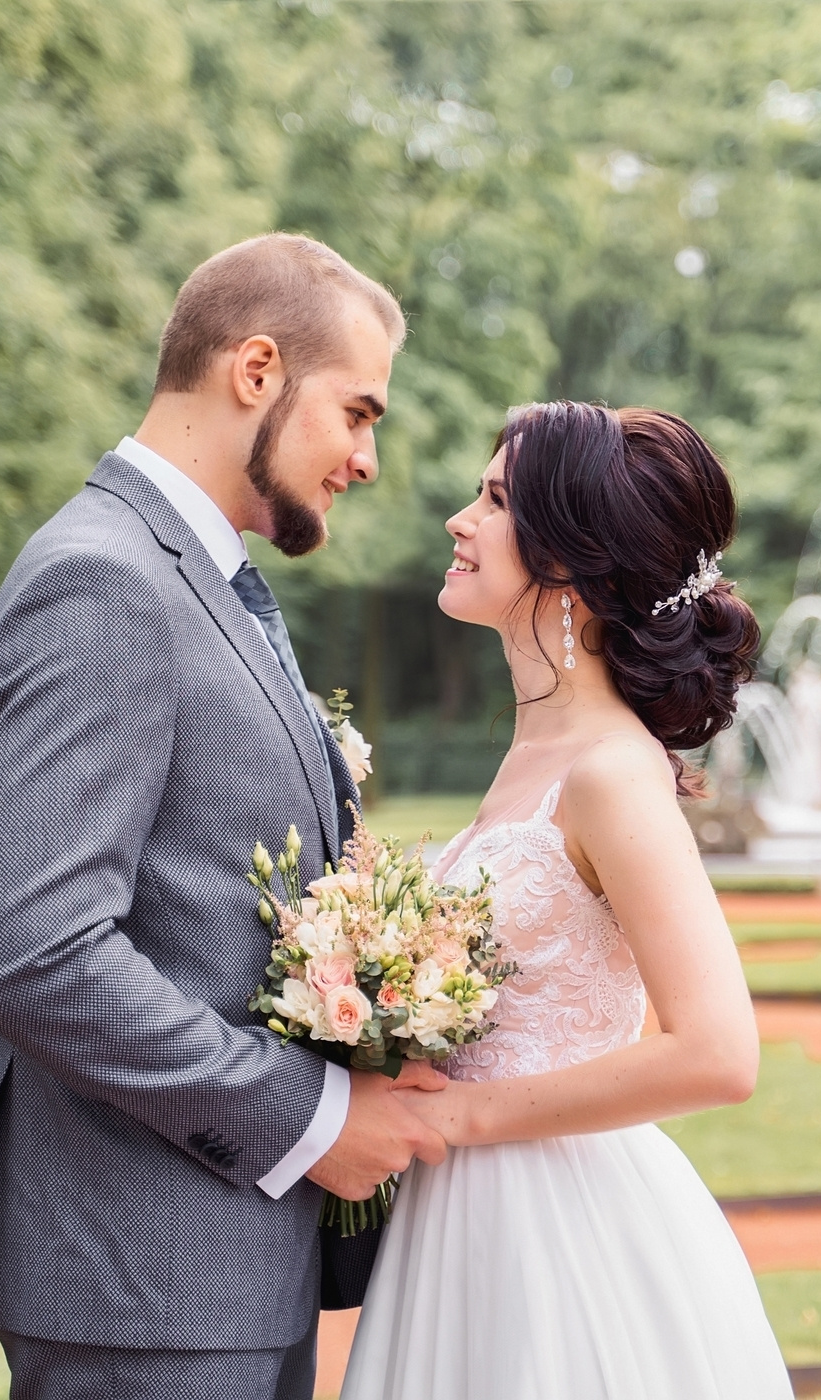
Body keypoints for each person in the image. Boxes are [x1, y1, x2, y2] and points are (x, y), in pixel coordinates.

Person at [0, 234, 453, 1400]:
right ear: (256, 369)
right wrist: (306, 1119)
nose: (364, 457)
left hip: (217, 1268)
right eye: (357, 413)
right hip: (140, 1284)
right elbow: (36, 949)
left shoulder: (204, 580)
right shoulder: (103, 581)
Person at [338, 402, 792, 1399]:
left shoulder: (612, 773)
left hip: (560, 1229)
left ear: (572, 565)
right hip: (461, 1224)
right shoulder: (536, 753)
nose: (461, 520)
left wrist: (461, 1119)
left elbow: (719, 1050)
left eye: (495, 500)